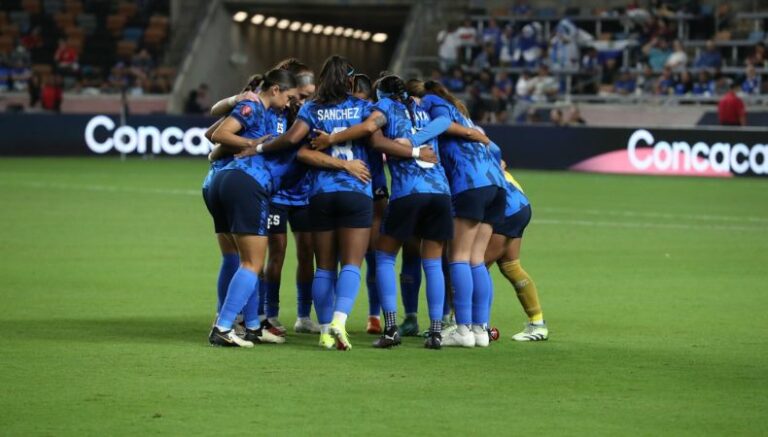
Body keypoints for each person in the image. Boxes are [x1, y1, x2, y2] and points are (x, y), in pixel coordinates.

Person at [242, 55, 437, 351]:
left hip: (320, 193)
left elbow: (294, 144)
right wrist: (415, 147)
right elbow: (374, 133)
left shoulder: (311, 108)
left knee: (324, 268)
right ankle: (339, 321)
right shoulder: (364, 108)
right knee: (351, 265)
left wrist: (258, 147)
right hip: (356, 190)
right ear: (349, 80)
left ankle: (323, 331)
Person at [312, 74, 453, 349]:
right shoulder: (423, 109)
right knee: (433, 262)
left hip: (409, 191)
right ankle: (436, 332)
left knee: (385, 256)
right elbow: (445, 121)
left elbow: (375, 140)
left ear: (381, 95)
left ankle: (390, 329)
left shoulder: (384, 107)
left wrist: (332, 138)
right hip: (440, 191)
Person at [205, 68, 298, 347]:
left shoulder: (270, 112)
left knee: (241, 259)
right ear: (276, 89)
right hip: (246, 184)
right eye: (291, 97)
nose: (291, 104)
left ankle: (252, 326)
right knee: (252, 263)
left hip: (225, 180)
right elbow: (218, 134)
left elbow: (214, 143)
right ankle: (223, 326)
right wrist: (252, 144)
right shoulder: (255, 106)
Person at [412, 80, 506, 348]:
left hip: (470, 184)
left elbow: (441, 123)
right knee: (476, 259)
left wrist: (413, 141)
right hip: (496, 186)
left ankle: (463, 330)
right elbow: (495, 149)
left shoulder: (432, 102)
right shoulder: (465, 117)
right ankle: (481, 330)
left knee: (459, 257)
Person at [484, 145, 547, 341]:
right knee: (510, 266)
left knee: (475, 267)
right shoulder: (482, 147)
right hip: (519, 203)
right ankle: (537, 324)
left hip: (505, 208)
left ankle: (473, 325)